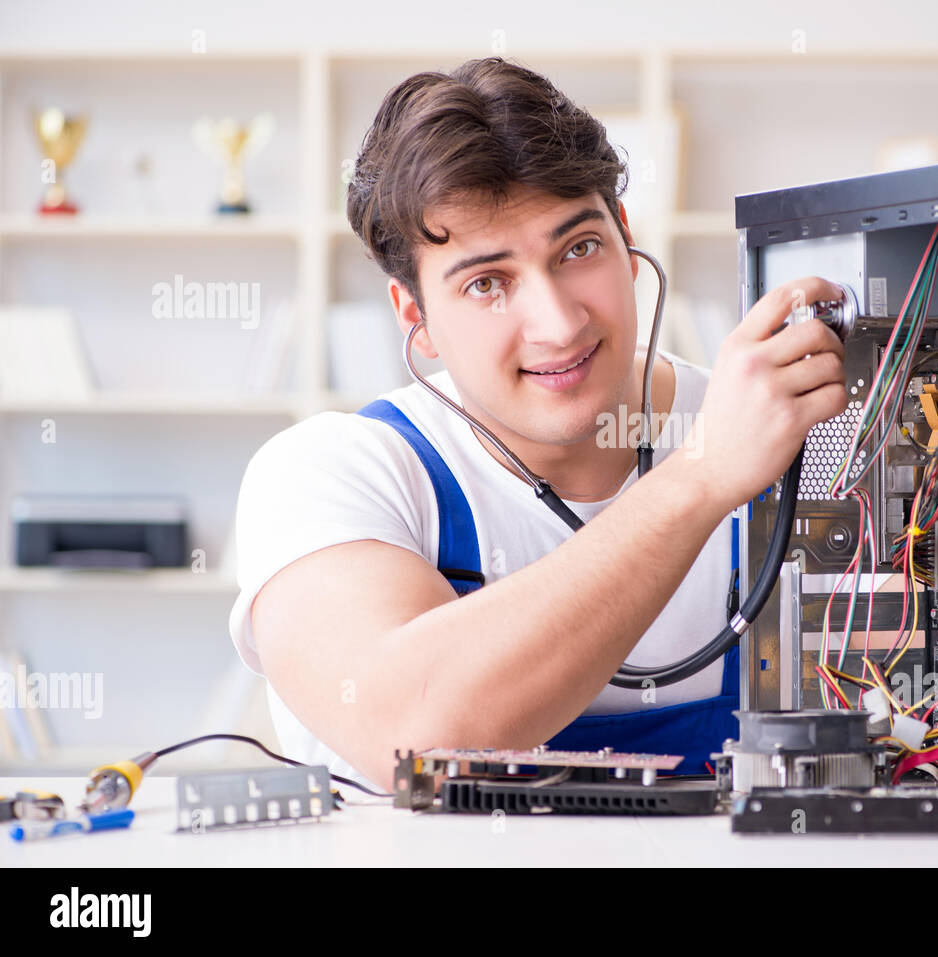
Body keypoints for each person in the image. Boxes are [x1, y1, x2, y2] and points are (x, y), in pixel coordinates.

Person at [227, 57, 848, 792]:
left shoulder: (789, 435)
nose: (558, 325)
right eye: (488, 283)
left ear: (624, 235)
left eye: (578, 249)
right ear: (414, 316)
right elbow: (416, 737)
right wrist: (702, 477)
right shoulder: (332, 473)